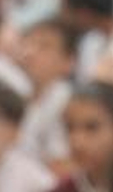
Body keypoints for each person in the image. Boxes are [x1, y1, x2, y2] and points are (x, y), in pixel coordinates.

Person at [14, 18, 78, 168]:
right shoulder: (20, 96)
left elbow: (63, 166)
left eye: (44, 47)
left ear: (69, 61)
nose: (30, 52)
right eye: (28, 43)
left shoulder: (65, 101)